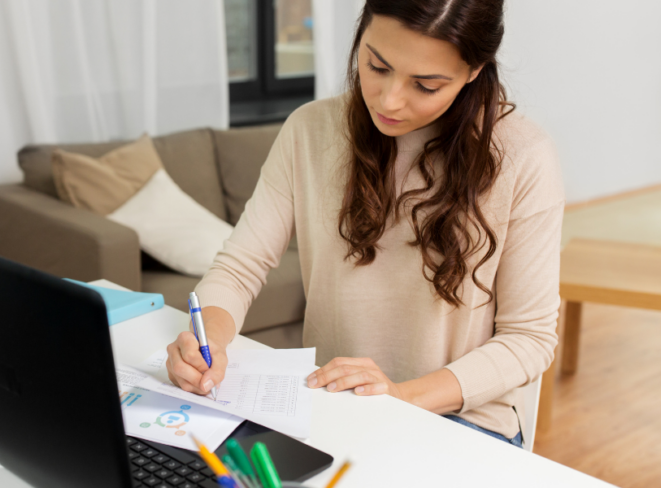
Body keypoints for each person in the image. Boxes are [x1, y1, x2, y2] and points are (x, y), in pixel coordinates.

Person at [166, 0, 562, 448]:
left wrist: (398, 396)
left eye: (426, 85)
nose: (389, 100)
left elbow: (528, 338)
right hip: (334, 406)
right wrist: (208, 341)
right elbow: (241, 265)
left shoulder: (523, 157)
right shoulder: (310, 130)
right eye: (376, 65)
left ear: (474, 70)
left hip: (461, 420)